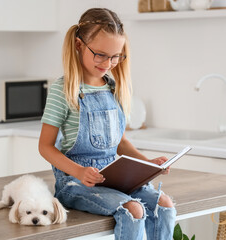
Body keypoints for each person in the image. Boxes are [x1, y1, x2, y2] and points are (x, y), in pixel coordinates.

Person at [39, 8, 176, 240]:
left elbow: (120, 142)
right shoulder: (63, 90)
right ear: (79, 45)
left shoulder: (114, 88)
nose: (109, 63)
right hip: (76, 183)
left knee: (164, 204)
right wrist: (80, 172)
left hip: (115, 178)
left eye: (115, 56)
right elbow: (45, 147)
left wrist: (148, 164)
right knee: (133, 209)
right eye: (101, 54)